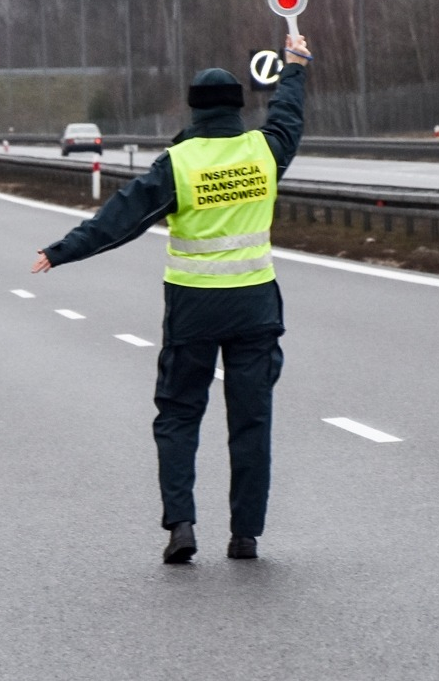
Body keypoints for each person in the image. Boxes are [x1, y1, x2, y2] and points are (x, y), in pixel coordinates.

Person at [32, 34, 311, 564]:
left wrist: (62, 251)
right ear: (237, 108)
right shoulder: (264, 151)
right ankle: (245, 536)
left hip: (194, 309)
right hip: (254, 307)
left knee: (179, 415)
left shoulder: (177, 164)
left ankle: (181, 525)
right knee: (250, 422)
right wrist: (294, 66)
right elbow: (287, 119)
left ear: (193, 110)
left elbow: (121, 219)